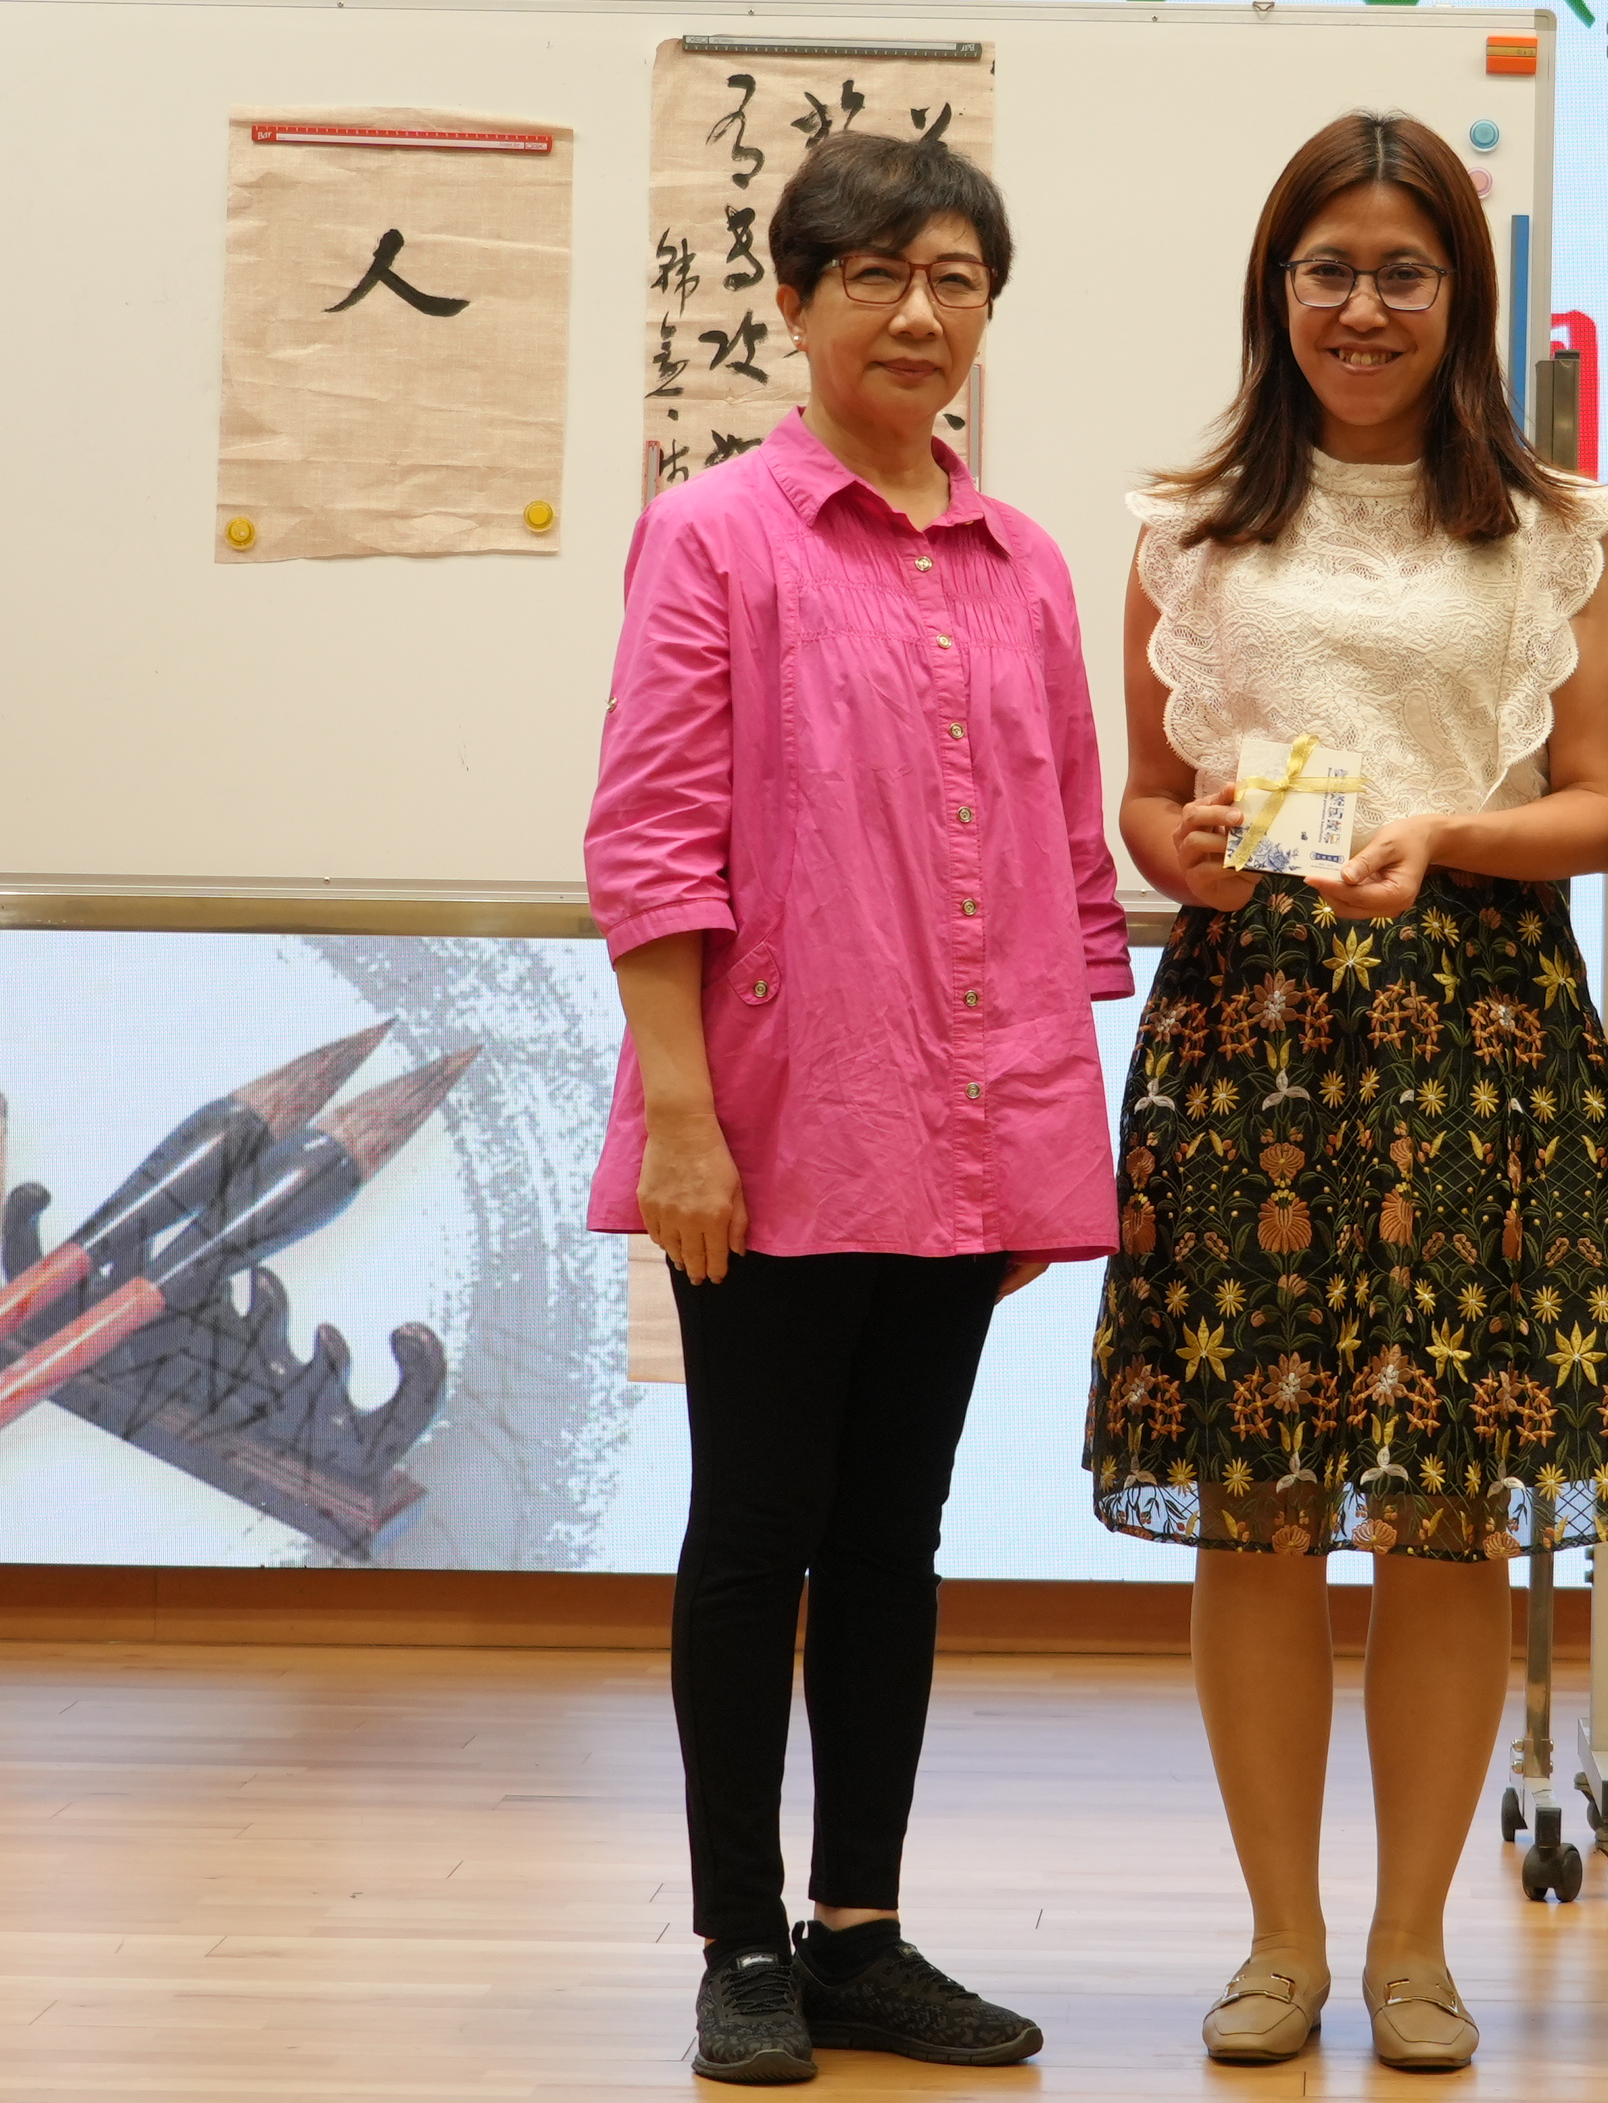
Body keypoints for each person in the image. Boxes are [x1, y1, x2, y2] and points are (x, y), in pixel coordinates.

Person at [1085, 110, 1608, 2075]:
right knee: (1256, 1511)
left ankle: (1415, 1948)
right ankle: (1280, 1945)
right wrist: (1174, 850)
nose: (1362, 307)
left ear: (1460, 297)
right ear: (1278, 290)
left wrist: (1447, 835)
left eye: (1402, 272)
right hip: (1247, 1037)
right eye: (1327, 270)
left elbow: (1598, 809)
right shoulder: (1187, 526)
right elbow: (1149, 798)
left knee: (1448, 1514)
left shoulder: (1557, 526)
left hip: (1479, 1038)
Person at [587, 129, 1129, 2087]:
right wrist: (681, 1121)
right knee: (756, 1528)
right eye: (878, 276)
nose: (920, 314)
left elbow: (1064, 864)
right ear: (798, 301)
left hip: (965, 1127)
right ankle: (740, 1944)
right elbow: (651, 844)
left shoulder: (1027, 561)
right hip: (772, 1122)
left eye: (957, 279)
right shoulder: (715, 535)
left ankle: (862, 1935)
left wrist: (1034, 1147)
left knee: (896, 1537)